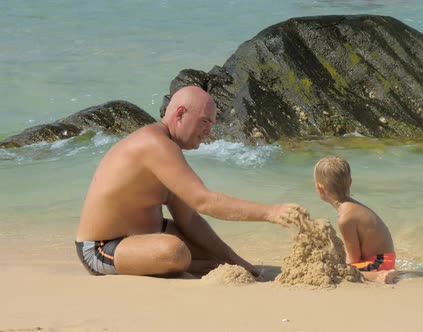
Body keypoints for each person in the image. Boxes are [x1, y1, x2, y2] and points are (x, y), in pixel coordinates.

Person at [75, 85, 307, 278]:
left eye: (211, 125)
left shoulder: (168, 149)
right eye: (204, 122)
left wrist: (238, 263)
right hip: (101, 248)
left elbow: (189, 219)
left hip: (145, 235)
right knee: (175, 252)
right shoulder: (155, 145)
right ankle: (191, 267)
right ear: (180, 114)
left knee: (214, 254)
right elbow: (204, 202)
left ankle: (200, 265)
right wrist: (271, 212)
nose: (208, 132)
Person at [313, 156, 397, 284]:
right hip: (385, 259)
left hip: (378, 264)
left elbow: (353, 260)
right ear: (350, 183)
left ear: (319, 188)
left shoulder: (345, 218)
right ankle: (382, 271)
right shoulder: (352, 207)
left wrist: (339, 264)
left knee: (337, 270)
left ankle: (379, 276)